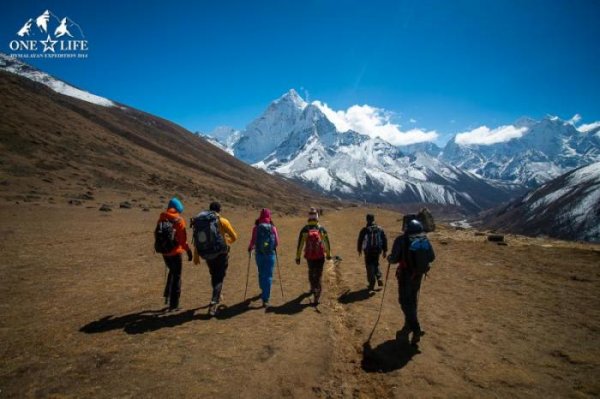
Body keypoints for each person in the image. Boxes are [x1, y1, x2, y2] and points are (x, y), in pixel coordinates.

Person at [387, 219, 435, 345]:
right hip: (418, 275)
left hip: (405, 275)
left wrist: (389, 258)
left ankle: (416, 328)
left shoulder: (401, 240)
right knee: (413, 300)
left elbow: (394, 259)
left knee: (404, 301)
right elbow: (432, 257)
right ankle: (408, 324)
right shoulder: (424, 239)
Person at [192, 201, 238, 316]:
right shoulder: (222, 221)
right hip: (221, 253)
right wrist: (227, 243)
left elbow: (196, 239)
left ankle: (216, 295)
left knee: (214, 274)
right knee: (219, 277)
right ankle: (213, 303)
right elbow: (234, 236)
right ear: (219, 210)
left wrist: (196, 255)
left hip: (206, 253)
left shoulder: (201, 222)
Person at [156, 197, 193, 311]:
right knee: (177, 276)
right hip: (175, 252)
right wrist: (188, 250)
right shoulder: (179, 220)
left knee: (172, 271)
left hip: (164, 252)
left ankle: (167, 295)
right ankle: (174, 304)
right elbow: (182, 239)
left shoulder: (162, 218)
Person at [295, 207, 332, 305]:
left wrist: (298, 257)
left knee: (311, 272)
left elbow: (300, 244)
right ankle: (317, 295)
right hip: (320, 256)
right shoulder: (321, 229)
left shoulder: (305, 229)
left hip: (309, 256)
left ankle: (312, 288)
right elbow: (326, 243)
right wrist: (328, 254)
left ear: (309, 217)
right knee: (318, 275)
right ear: (317, 217)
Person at [247, 208, 280, 308]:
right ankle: (265, 299)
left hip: (259, 254)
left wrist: (250, 248)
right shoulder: (272, 227)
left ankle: (262, 288)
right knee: (268, 276)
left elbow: (252, 241)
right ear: (269, 216)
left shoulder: (256, 228)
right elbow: (277, 242)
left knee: (261, 272)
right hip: (270, 254)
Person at [357, 214, 388, 291]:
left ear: (367, 220)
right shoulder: (379, 229)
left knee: (369, 266)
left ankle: (372, 284)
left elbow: (360, 240)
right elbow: (384, 239)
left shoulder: (364, 230)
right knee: (376, 263)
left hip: (368, 252)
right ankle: (379, 277)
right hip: (377, 251)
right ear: (374, 219)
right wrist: (385, 250)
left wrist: (359, 250)